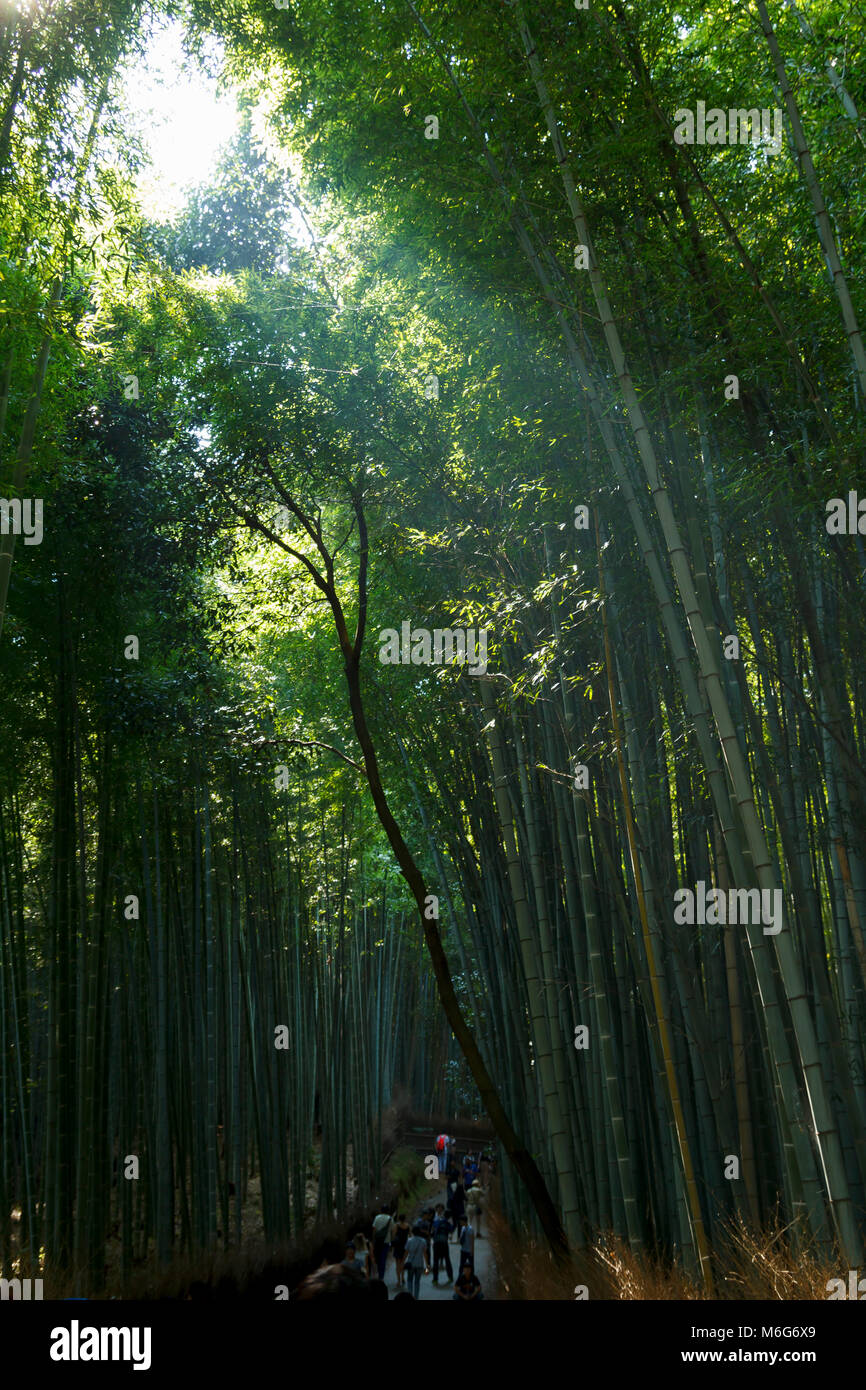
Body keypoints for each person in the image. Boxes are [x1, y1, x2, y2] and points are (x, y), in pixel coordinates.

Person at [403, 1223, 429, 1300]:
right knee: (417, 1282)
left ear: (412, 1232)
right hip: (420, 1264)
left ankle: (410, 1296)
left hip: (410, 1263)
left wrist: (402, 1263)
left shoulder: (409, 1241)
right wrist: (427, 1266)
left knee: (409, 1280)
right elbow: (425, 1254)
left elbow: (406, 1253)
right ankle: (416, 1297)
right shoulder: (423, 1241)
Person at [431, 1205, 453, 1285]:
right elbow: (451, 1231)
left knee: (435, 1261)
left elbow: (433, 1231)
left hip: (436, 1243)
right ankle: (450, 1277)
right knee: (447, 1260)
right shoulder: (447, 1223)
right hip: (444, 1243)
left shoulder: (437, 1222)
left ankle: (435, 1279)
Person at [371, 1205, 393, 1280]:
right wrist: (392, 1240)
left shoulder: (377, 1217)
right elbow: (392, 1230)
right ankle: (381, 1276)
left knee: (377, 1257)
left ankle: (376, 1273)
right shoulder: (390, 1219)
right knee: (383, 1259)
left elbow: (374, 1229)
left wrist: (373, 1240)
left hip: (377, 1241)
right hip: (386, 1241)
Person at [391, 1213, 411, 1288]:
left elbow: (393, 1235)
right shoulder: (408, 1226)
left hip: (398, 1246)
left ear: (399, 1219)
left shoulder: (396, 1225)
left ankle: (398, 1280)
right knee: (403, 1262)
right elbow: (410, 1235)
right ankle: (403, 1277)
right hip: (405, 1246)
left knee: (397, 1264)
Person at [448, 1178, 466, 1242]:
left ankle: (451, 1234)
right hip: (460, 1210)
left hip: (454, 1211)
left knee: (454, 1223)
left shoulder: (453, 1194)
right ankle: (458, 1238)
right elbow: (465, 1198)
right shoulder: (461, 1191)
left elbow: (450, 1202)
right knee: (460, 1225)